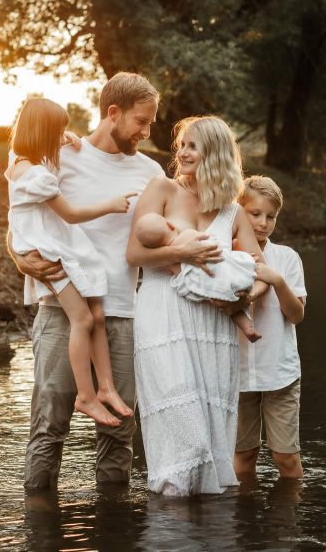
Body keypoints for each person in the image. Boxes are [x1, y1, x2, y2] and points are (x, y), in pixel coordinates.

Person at [9, 72, 222, 490]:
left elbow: (189, 219)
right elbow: (20, 218)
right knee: (49, 424)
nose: (147, 131)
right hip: (60, 310)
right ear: (113, 113)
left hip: (124, 311)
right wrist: (20, 259)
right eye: (141, 122)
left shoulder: (148, 173)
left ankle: (114, 528)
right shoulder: (58, 158)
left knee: (119, 431)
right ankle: (38, 523)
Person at [127, 115, 268, 496]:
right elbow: (135, 253)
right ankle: (173, 520)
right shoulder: (161, 189)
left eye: (192, 145)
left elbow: (258, 271)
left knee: (210, 438)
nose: (182, 152)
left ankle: (206, 528)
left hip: (215, 327)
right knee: (186, 438)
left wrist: (240, 298)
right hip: (163, 318)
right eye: (182, 145)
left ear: (216, 153)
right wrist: (181, 252)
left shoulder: (233, 212)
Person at [6, 98, 135, 428]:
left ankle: (106, 388)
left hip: (56, 244)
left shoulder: (19, 160)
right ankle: (86, 395)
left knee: (97, 313)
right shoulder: (35, 176)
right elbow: (71, 213)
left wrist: (65, 136)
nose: (63, 137)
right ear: (43, 133)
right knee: (82, 319)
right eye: (58, 131)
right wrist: (110, 205)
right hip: (48, 252)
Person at [232, 176, 307, 481]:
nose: (263, 223)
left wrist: (275, 280)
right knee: (243, 454)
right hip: (237, 373)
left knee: (285, 457)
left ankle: (288, 524)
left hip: (279, 372)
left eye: (271, 216)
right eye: (255, 214)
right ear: (239, 211)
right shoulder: (227, 255)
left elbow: (296, 315)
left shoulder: (287, 259)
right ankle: (243, 521)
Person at [134, 211, 262, 342]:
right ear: (170, 225)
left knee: (225, 304)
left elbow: (180, 276)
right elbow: (212, 241)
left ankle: (247, 327)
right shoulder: (188, 234)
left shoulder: (168, 262)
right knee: (229, 261)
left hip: (207, 287)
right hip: (222, 273)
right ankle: (247, 264)